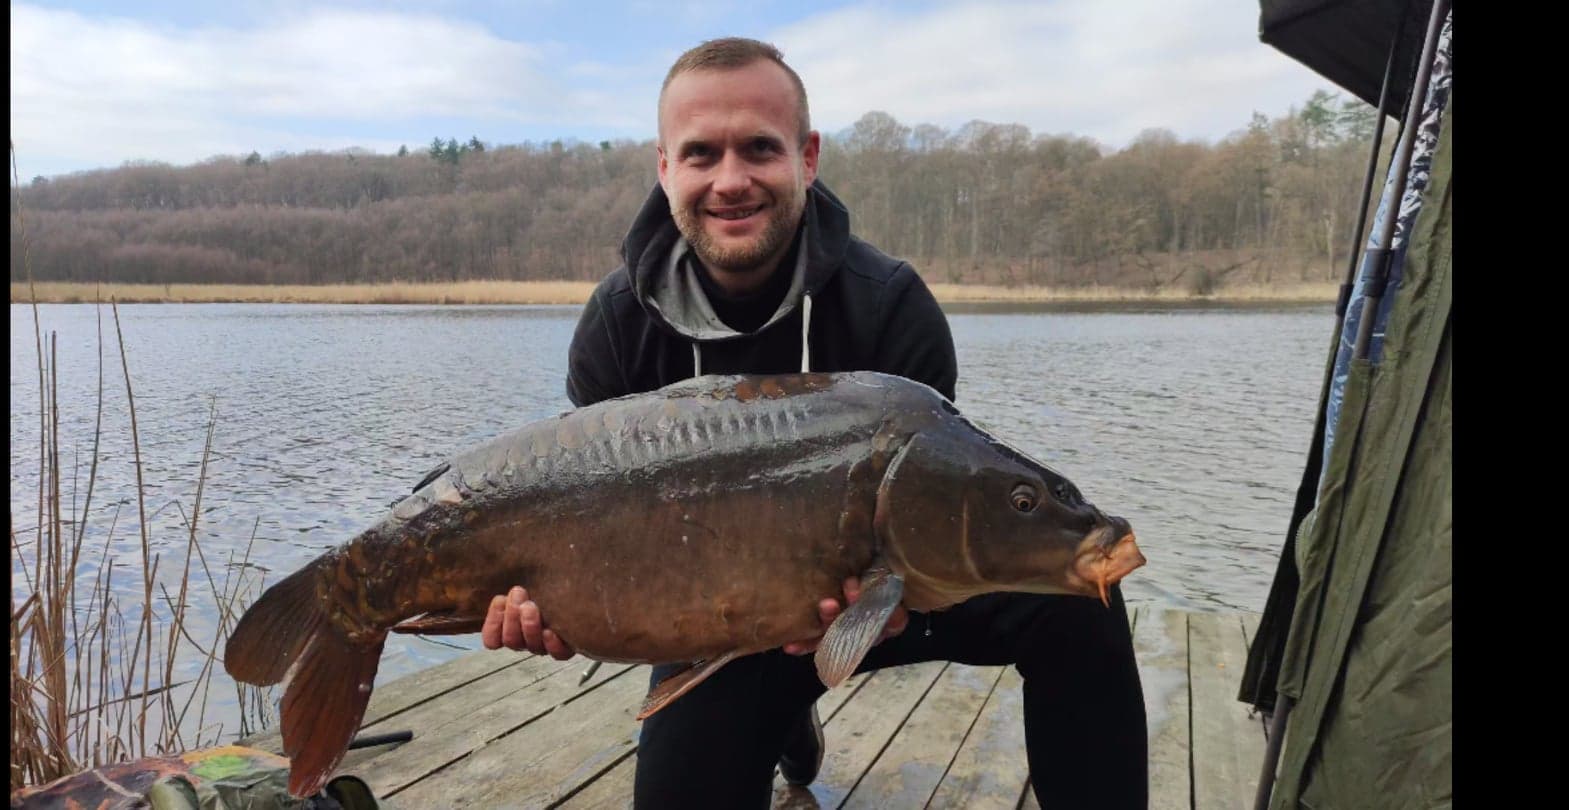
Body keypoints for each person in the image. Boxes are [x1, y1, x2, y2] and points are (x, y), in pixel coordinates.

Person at [476, 37, 1147, 810]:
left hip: (897, 592)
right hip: (719, 623)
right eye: (702, 154)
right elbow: (584, 532)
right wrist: (551, 605)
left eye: (760, 148)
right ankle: (784, 723)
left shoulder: (890, 304)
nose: (731, 179)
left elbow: (940, 507)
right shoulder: (617, 325)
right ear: (665, 168)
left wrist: (881, 602)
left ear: (807, 157)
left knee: (1079, 604)